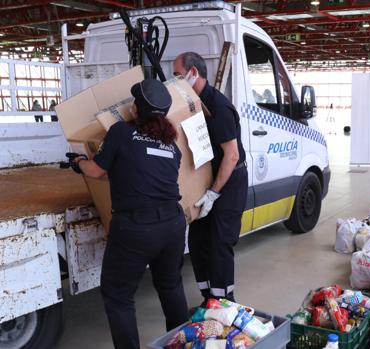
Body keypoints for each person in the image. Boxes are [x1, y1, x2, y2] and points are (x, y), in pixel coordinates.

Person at [66, 79, 189, 349]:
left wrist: (78, 163)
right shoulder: (171, 145)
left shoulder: (122, 132)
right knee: (170, 286)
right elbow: (144, 170)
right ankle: (183, 345)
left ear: (135, 110)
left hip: (136, 227)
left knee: (119, 295)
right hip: (173, 224)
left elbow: (97, 171)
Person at [173, 52, 248, 303]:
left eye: (178, 74)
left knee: (219, 243)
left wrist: (214, 193)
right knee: (198, 241)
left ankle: (225, 302)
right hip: (207, 177)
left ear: (193, 72)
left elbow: (232, 155)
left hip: (228, 181)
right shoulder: (192, 103)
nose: (176, 80)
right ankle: (208, 299)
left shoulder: (219, 107)